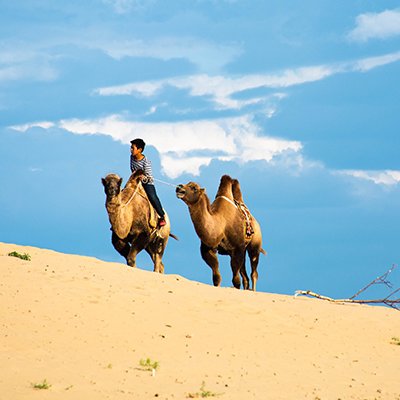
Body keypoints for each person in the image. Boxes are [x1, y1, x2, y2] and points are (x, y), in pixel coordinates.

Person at [130, 138, 166, 227]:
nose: (131, 150)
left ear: (139, 150)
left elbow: (149, 177)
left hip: (147, 183)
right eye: (131, 148)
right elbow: (132, 170)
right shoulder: (131, 157)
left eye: (133, 148)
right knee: (124, 193)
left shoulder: (146, 162)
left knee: (152, 197)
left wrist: (143, 178)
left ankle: (161, 216)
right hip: (135, 181)